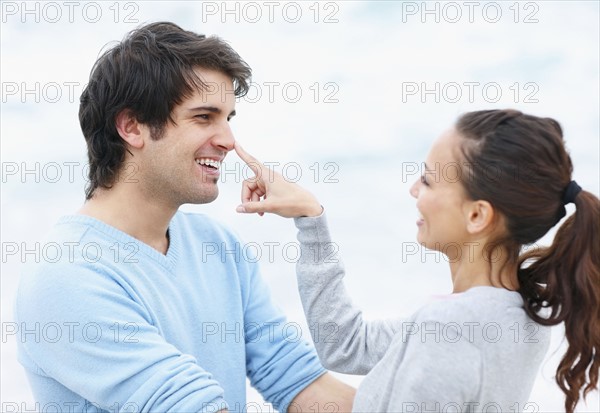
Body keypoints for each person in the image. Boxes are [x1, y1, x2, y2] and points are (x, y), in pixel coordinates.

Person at [15, 22, 355, 412]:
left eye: (229, 118)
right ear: (131, 127)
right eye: (204, 117)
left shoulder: (216, 245)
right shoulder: (68, 275)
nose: (228, 140)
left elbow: (297, 380)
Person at [234, 109, 600, 413]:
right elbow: (346, 346)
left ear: (477, 216)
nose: (414, 190)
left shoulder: (450, 327)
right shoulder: (523, 312)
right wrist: (310, 220)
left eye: (427, 180)